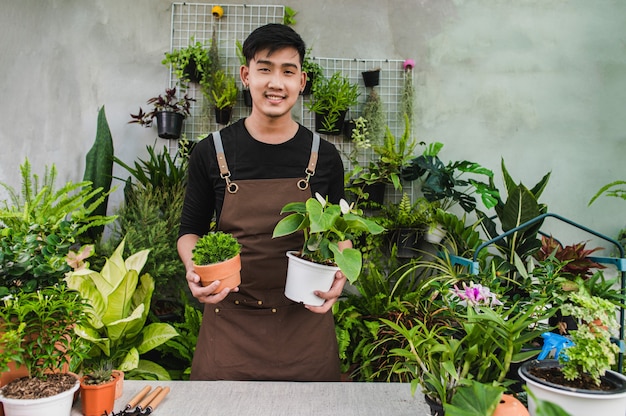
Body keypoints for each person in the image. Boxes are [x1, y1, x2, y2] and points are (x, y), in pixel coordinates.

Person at [177, 23, 350, 381]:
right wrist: (197, 271)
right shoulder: (212, 152)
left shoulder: (325, 156)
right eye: (265, 69)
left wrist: (340, 274)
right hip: (229, 326)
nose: (276, 83)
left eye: (288, 71)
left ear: (302, 81)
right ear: (246, 75)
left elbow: (339, 234)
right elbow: (190, 231)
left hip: (305, 326)